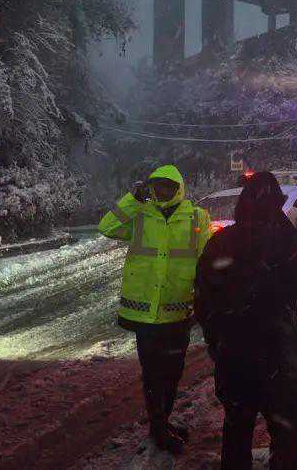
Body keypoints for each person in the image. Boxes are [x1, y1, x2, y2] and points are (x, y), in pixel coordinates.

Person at [195, 171, 297, 470]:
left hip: (234, 360)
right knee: (285, 434)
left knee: (237, 431)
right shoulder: (286, 241)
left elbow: (202, 301)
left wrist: (217, 342)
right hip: (279, 360)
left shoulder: (221, 243)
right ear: (277, 204)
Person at [98, 165, 212, 454]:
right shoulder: (140, 214)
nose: (161, 191)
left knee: (172, 372)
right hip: (145, 315)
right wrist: (132, 199)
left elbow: (207, 260)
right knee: (152, 374)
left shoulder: (197, 217)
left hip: (179, 312)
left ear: (179, 188)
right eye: (156, 186)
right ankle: (159, 429)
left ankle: (162, 423)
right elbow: (107, 227)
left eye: (167, 186)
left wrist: (204, 299)